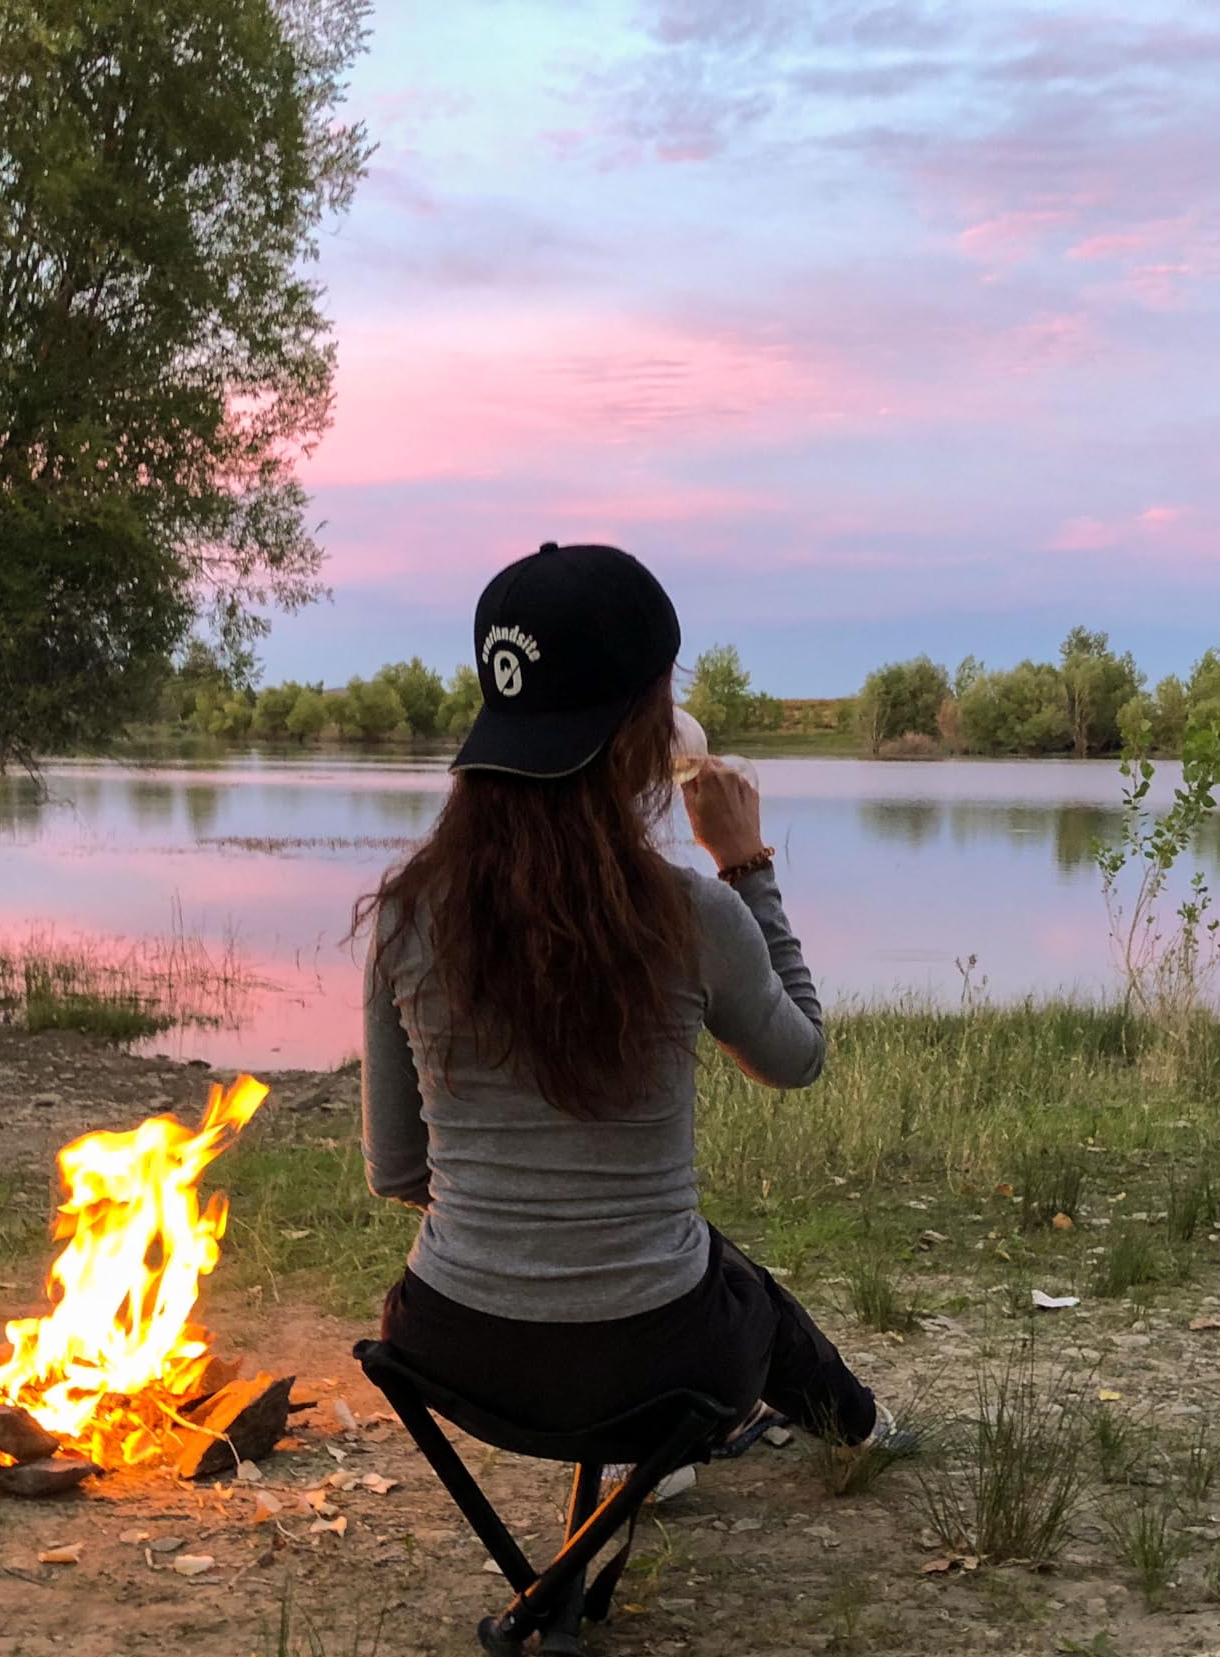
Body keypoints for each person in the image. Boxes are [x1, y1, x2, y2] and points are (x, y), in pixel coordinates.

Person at [357, 540, 890, 1479]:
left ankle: (669, 1456)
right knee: (727, 1285)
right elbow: (796, 1057)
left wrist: (522, 1238)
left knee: (683, 1266)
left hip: (451, 1353)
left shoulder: (406, 915)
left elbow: (399, 1168)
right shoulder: (693, 913)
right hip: (661, 1362)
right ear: (650, 726)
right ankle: (860, 1434)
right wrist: (747, 865)